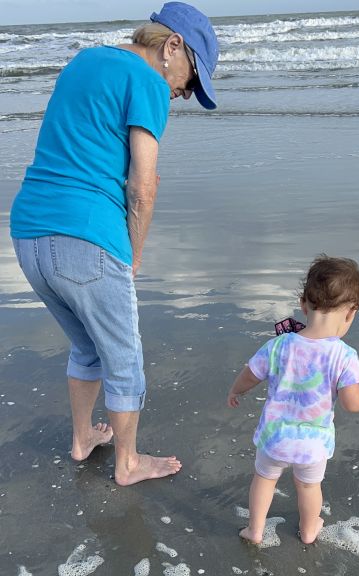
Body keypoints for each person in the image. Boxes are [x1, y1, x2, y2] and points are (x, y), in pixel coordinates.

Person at [10, 2, 219, 486]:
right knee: (123, 358)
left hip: (28, 234)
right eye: (191, 79)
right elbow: (143, 185)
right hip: (87, 236)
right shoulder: (148, 82)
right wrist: (133, 256)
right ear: (171, 47)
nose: (185, 93)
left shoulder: (86, 60)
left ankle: (84, 438)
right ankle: (127, 463)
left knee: (86, 345)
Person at [227, 255, 359, 545]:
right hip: (313, 445)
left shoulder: (278, 344)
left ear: (304, 303)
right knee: (308, 487)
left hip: (274, 438)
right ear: (351, 313)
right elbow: (352, 403)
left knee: (264, 480)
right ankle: (308, 530)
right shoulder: (343, 355)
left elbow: (251, 374)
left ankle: (255, 530)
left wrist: (235, 391)